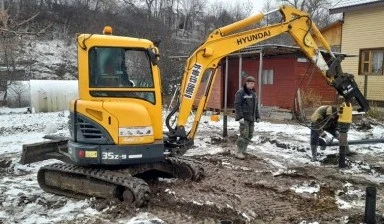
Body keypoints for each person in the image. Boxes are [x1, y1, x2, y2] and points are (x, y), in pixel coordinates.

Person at [234, 76, 260, 159]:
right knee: (244, 135)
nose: (253, 85)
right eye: (251, 83)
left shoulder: (253, 93)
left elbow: (255, 106)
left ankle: (244, 150)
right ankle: (238, 152)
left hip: (251, 118)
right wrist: (240, 117)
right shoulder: (241, 92)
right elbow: (237, 105)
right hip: (244, 118)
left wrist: (257, 116)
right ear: (247, 83)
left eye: (254, 84)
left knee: (250, 135)